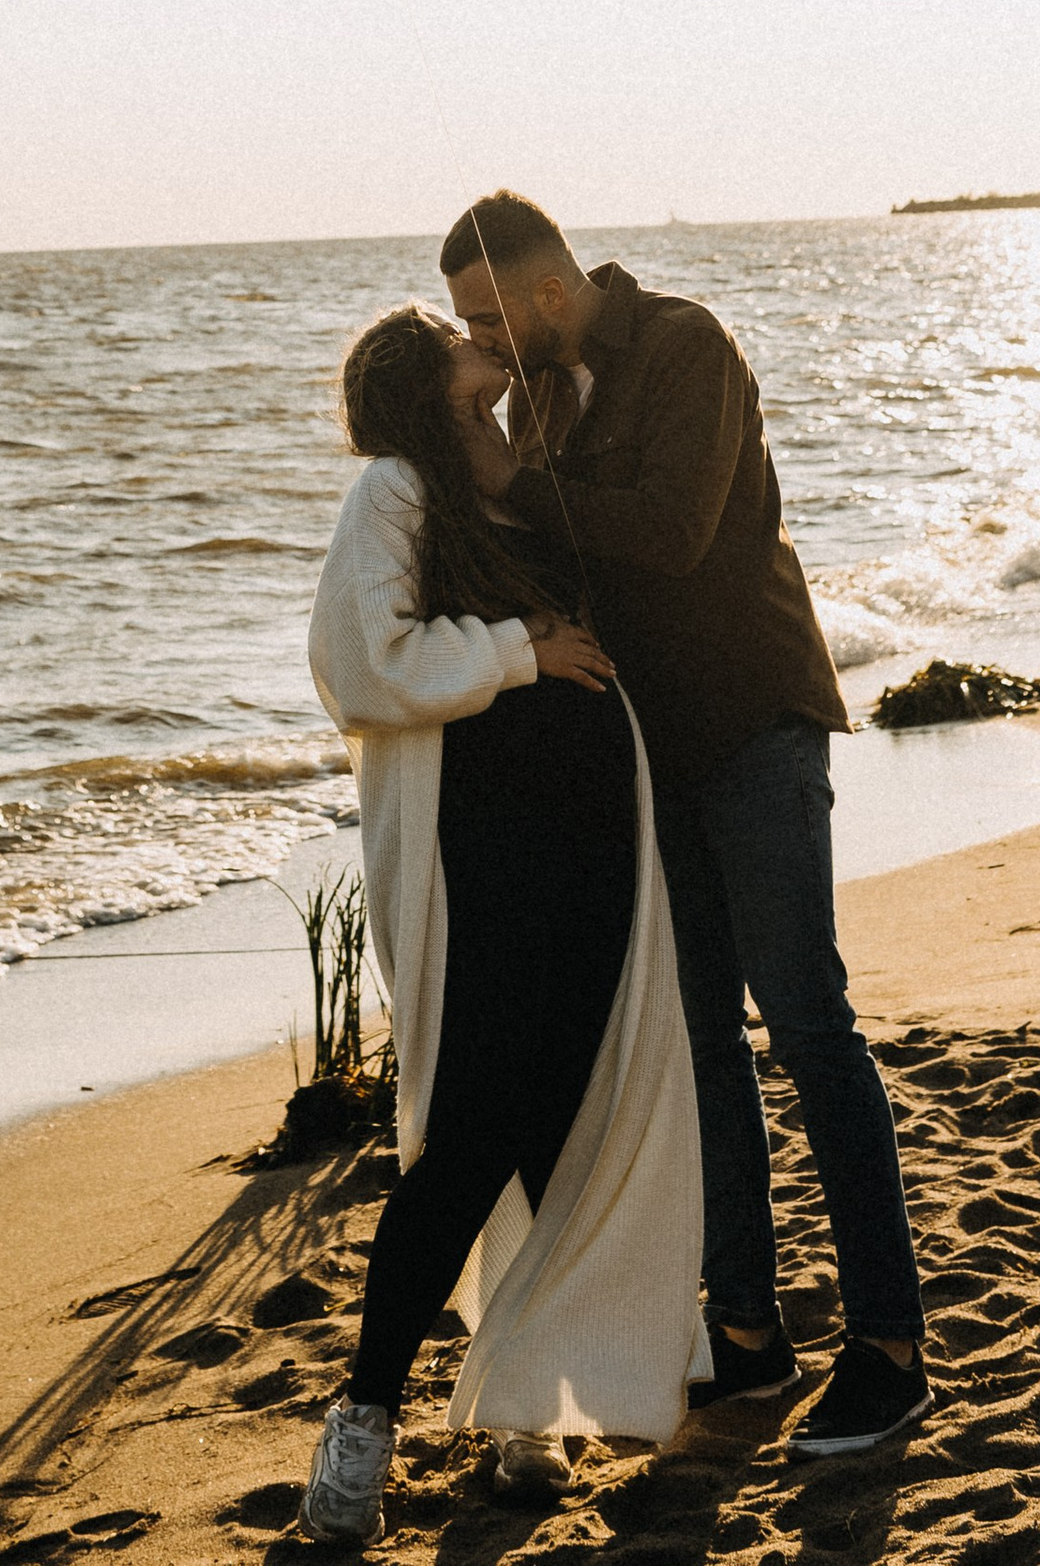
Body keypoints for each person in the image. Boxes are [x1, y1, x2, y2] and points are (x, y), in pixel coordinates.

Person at [441, 189, 928, 1461]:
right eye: (461, 330)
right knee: (705, 1048)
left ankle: (887, 1349)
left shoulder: (686, 347)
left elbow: (669, 533)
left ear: (550, 291)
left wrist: (513, 479)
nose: (486, 345)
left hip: (757, 730)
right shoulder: (537, 398)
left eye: (490, 318)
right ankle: (752, 1338)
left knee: (812, 1027)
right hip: (653, 762)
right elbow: (551, 568)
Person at [298, 304, 704, 1545]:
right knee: (470, 1139)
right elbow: (365, 664)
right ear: (428, 390)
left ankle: (531, 1402)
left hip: (594, 859)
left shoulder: (513, 487)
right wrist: (523, 650)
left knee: (565, 1122)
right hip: (491, 870)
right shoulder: (396, 492)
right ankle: (363, 1423)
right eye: (471, 357)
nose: (494, 369)